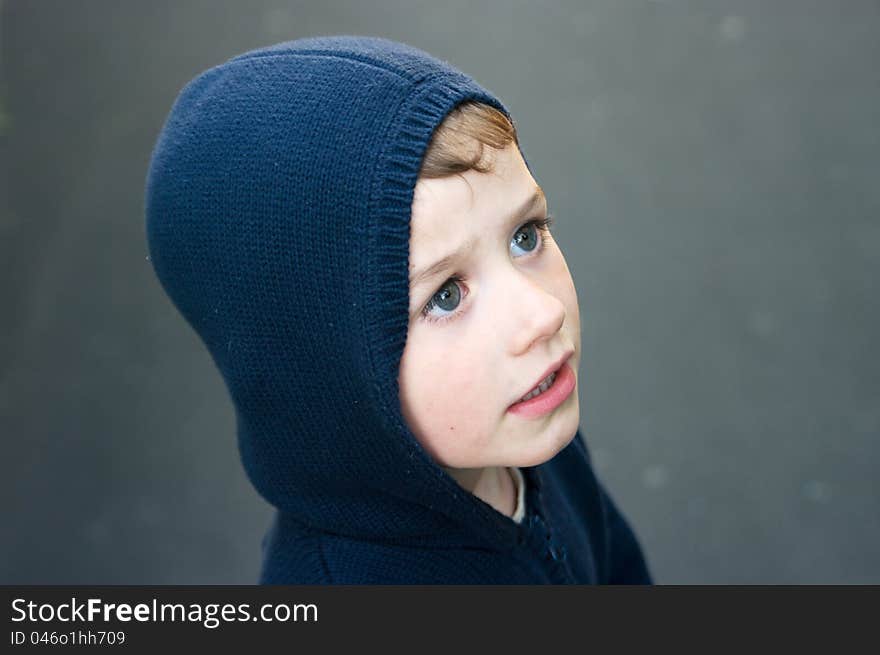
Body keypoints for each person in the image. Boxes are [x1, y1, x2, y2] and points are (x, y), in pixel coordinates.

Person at [145, 35, 652, 584]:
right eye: (447, 296)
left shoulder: (531, 426)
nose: (541, 314)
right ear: (326, 374)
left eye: (525, 237)